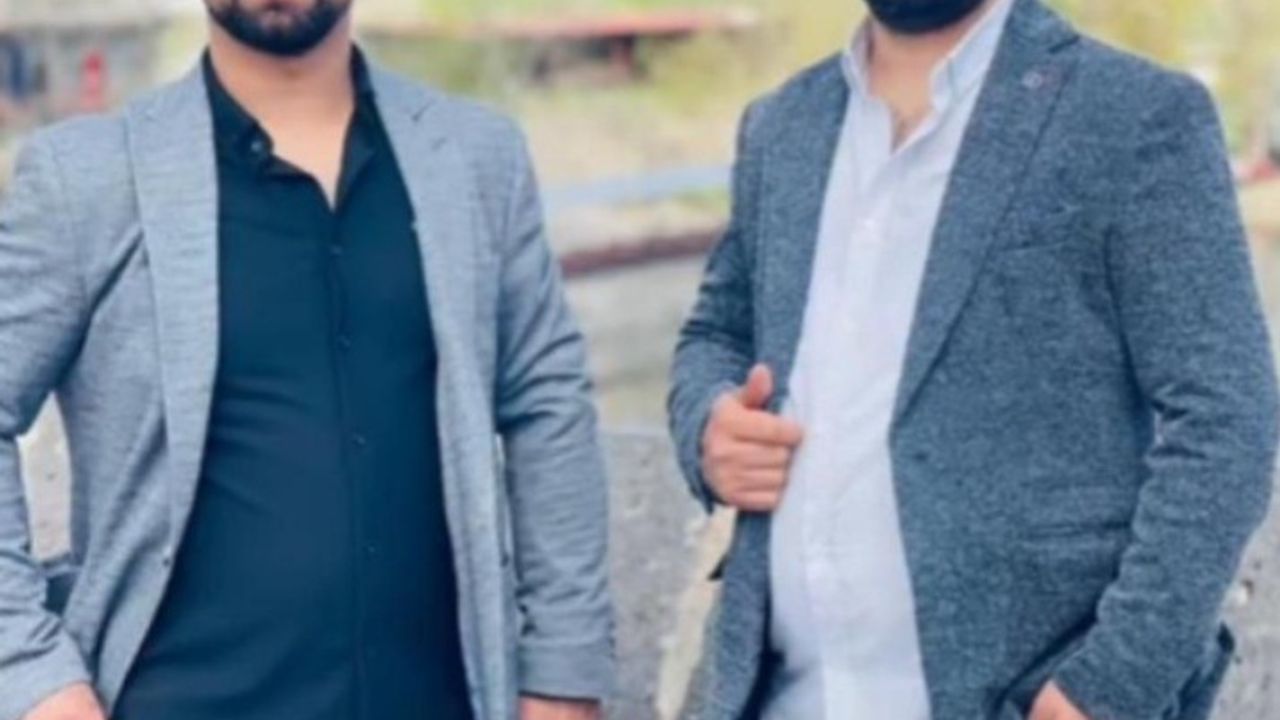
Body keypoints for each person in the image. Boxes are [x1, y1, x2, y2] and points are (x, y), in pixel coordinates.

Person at [0, 1, 613, 719]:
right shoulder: (88, 179)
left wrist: (564, 676)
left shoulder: (478, 159)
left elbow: (547, 403)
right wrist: (34, 674)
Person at [668, 0, 1278, 718]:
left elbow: (1227, 414)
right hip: (779, 698)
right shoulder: (780, 125)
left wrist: (1111, 686)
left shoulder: (1136, 116)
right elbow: (715, 333)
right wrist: (708, 425)